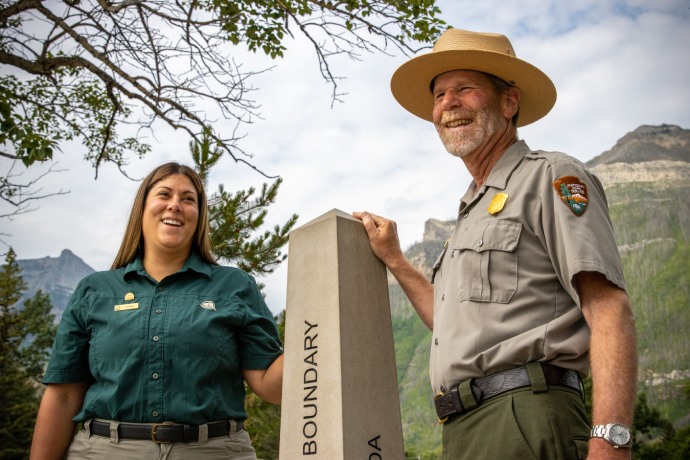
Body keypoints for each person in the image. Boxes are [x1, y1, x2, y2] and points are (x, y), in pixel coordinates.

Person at [354, 28, 637, 460]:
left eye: (464, 89)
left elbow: (609, 307)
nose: (448, 104)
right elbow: (452, 326)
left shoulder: (550, 175)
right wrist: (395, 260)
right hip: (463, 429)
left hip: (527, 417)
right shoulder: (471, 211)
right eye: (440, 94)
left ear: (509, 102)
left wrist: (611, 441)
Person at [30, 162, 284, 459]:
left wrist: (330, 309)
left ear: (199, 216)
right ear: (143, 207)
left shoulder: (235, 285)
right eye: (164, 194)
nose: (175, 205)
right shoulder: (94, 290)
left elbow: (272, 387)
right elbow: (62, 396)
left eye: (188, 199)